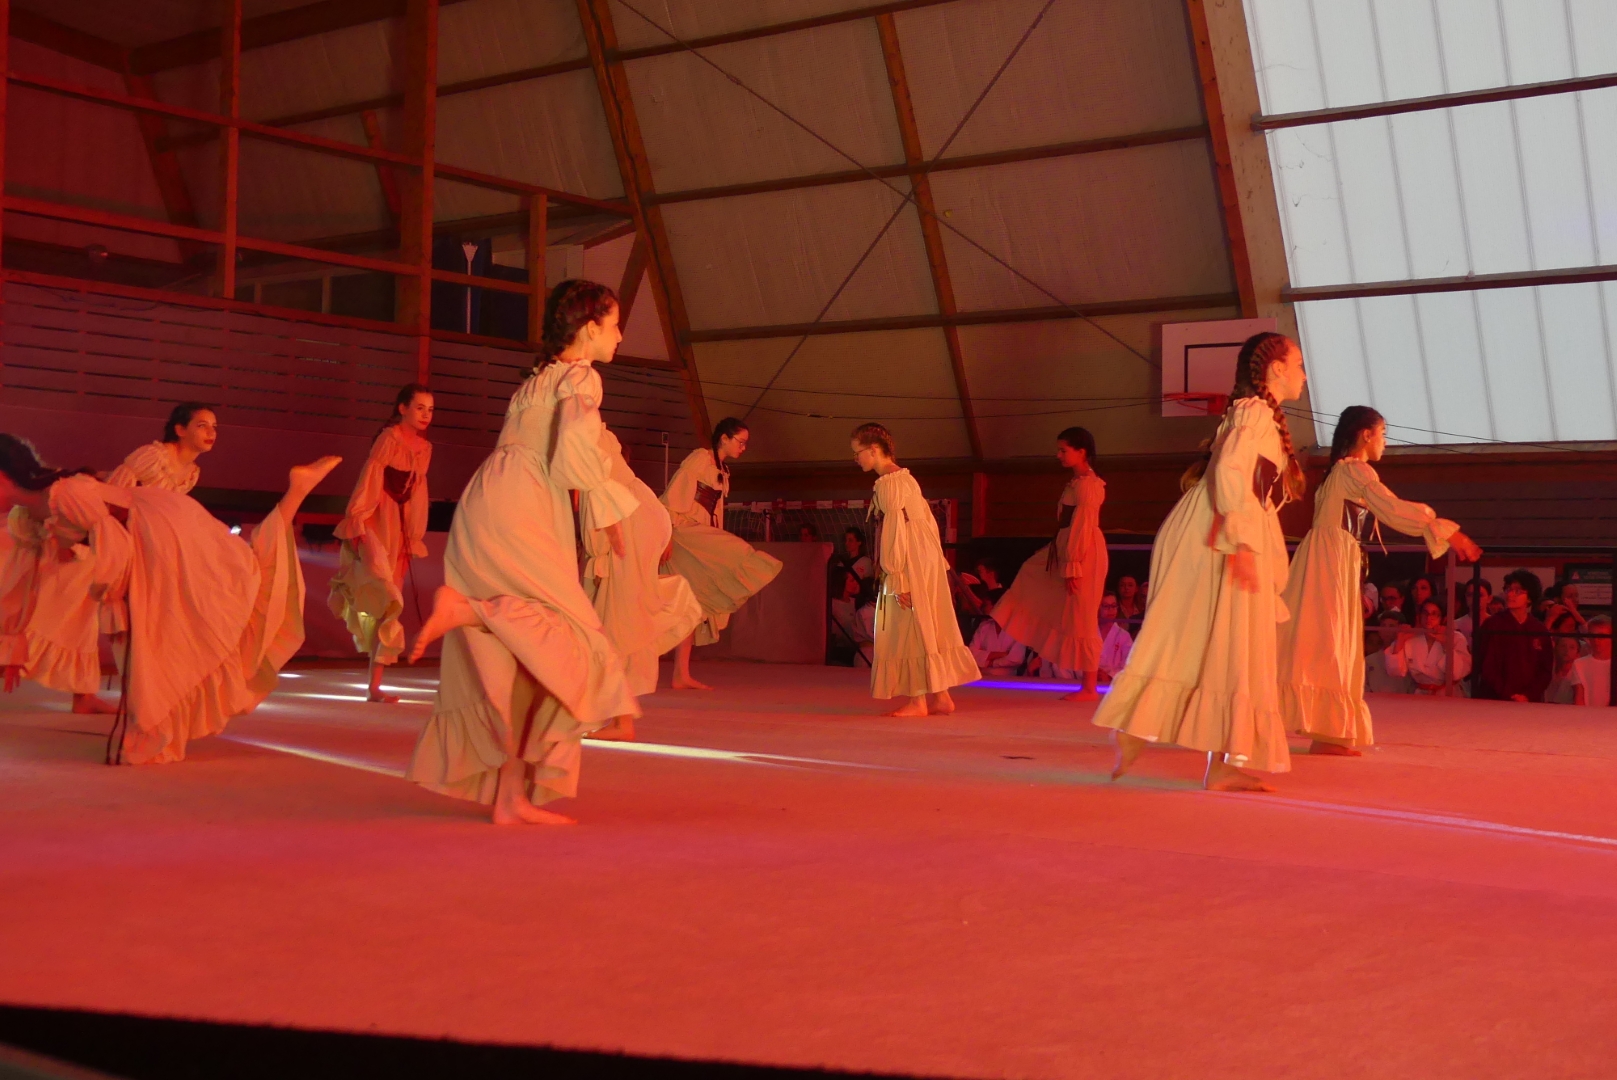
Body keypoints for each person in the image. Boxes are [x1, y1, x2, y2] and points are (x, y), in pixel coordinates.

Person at [406, 279, 640, 825]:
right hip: (526, 502)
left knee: (522, 661)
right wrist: (607, 512)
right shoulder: (581, 375)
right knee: (576, 640)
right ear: (590, 330)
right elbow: (576, 448)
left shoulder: (538, 378)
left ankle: (510, 796)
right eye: (614, 326)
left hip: (489, 497)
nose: (620, 336)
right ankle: (469, 611)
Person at [0, 433, 337, 763]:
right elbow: (21, 583)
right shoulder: (27, 516)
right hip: (148, 536)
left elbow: (113, 544)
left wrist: (112, 597)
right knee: (164, 637)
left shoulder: (65, 494)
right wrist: (14, 645)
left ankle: (152, 732)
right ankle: (151, 731)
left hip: (160, 532)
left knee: (188, 624)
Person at [1093, 331, 1308, 791]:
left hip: (1223, 527)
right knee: (1223, 642)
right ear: (1276, 370)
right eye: (1299, 365)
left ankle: (1189, 747)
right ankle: (1154, 731)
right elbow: (1230, 470)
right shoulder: (1255, 412)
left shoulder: (1253, 413)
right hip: (1222, 533)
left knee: (1216, 643)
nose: (1304, 376)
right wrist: (1241, 542)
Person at [1278, 405, 1480, 753]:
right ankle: (1326, 731)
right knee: (1328, 640)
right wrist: (1447, 530)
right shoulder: (1354, 470)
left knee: (1330, 640)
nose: (1385, 442)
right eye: (1383, 434)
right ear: (1366, 434)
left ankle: (1329, 731)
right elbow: (1392, 507)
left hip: (1333, 557)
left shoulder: (1341, 472)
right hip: (1329, 560)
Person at [851, 422, 979, 716]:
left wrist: (898, 577)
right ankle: (941, 696)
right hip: (924, 559)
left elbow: (896, 531)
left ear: (874, 449)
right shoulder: (905, 478)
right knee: (924, 623)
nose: (856, 458)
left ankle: (918, 700)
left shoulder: (890, 482)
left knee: (904, 625)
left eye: (857, 452)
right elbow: (926, 524)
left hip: (910, 562)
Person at [580, 427, 702, 710]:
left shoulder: (593, 461)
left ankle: (616, 697)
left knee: (620, 611)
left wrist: (597, 560)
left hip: (631, 523)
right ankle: (621, 698)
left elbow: (597, 534)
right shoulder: (605, 452)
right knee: (629, 606)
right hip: (642, 514)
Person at [328, 384, 434, 704]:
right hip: (377, 521)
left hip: (400, 528)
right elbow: (371, 477)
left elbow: (418, 493)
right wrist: (358, 519)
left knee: (391, 604)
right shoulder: (389, 438)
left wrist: (413, 535)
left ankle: (375, 684)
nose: (426, 415)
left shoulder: (425, 448)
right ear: (402, 408)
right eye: (419, 408)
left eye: (430, 410)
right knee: (380, 593)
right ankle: (372, 683)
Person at [661, 418, 783, 689]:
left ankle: (681, 674)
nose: (743, 447)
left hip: (701, 535)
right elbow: (673, 496)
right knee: (738, 554)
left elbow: (715, 511)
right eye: (740, 441)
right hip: (686, 532)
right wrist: (667, 534)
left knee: (692, 603)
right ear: (724, 438)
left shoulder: (722, 469)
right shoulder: (700, 459)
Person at [992, 426, 1108, 701]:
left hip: (1083, 553)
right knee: (1031, 573)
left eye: (1063, 450)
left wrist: (1073, 565)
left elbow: (1082, 527)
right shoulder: (1077, 482)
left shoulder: (1089, 486)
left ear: (1081, 452)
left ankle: (1089, 687)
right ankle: (1085, 684)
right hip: (1066, 547)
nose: (1059, 455)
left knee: (1082, 615)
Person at [1475, 570, 1553, 703]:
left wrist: (1528, 695)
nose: (1510, 594)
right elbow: (1487, 666)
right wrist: (1509, 694)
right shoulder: (1493, 624)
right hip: (1494, 700)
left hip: (1529, 702)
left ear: (1529, 597)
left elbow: (1545, 671)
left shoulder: (1539, 630)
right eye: (1508, 589)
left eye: (1517, 591)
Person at [109, 402, 217, 492]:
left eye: (214, 426)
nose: (211, 432)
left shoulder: (192, 474)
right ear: (180, 430)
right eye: (202, 425)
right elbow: (115, 489)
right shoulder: (153, 456)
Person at [1384, 599, 1472, 695]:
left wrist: (1445, 644)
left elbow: (1457, 673)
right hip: (1420, 693)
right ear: (1420, 616)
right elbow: (1395, 671)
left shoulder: (1456, 637)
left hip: (1449, 693)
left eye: (1434, 614)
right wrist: (1400, 640)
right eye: (1425, 613)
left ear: (1443, 618)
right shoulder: (1410, 637)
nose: (1429, 617)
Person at [829, 569, 876, 666]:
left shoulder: (856, 602)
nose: (856, 583)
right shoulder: (832, 604)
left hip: (857, 647)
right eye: (851, 580)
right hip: (843, 648)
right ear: (841, 582)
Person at [1363, 613, 1414, 694]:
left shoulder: (1409, 656)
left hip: (1403, 699)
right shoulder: (1369, 660)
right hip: (1376, 699)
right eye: (1383, 625)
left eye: (1391, 626)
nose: (1386, 629)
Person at [1543, 613, 1585, 705]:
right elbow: (1542, 641)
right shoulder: (1547, 670)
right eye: (1562, 646)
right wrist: (1550, 619)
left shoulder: (1579, 676)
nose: (1566, 651)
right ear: (1556, 649)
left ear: (1578, 653)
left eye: (1572, 648)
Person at [968, 613, 1027, 677]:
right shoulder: (984, 626)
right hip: (982, 677)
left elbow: (1016, 658)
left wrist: (991, 663)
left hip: (1008, 678)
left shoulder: (1018, 629)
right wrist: (1001, 654)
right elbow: (971, 653)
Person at [1095, 592, 1133, 684]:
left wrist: (1109, 676)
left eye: (1113, 606)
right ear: (1098, 608)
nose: (1110, 610)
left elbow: (1129, 662)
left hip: (1113, 682)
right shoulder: (1088, 633)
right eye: (1106, 606)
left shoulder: (1124, 636)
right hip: (1087, 679)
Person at [1574, 615, 1611, 707]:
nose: (1596, 640)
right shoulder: (1579, 664)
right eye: (1592, 636)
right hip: (1588, 714)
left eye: (1601, 636)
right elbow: (1579, 698)